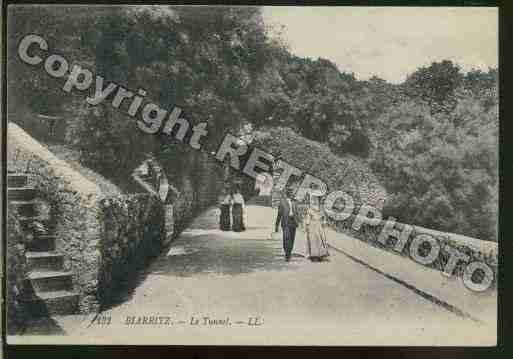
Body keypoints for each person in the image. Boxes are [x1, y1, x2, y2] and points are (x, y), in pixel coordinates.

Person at [275, 188, 299, 262]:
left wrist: (299, 222)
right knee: (286, 238)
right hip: (285, 222)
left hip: (293, 222)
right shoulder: (282, 202)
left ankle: (289, 252)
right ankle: (287, 254)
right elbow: (279, 214)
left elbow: (297, 213)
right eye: (290, 193)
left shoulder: (294, 202)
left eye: (292, 193)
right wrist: (276, 225)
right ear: (287, 194)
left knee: (292, 238)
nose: (291, 194)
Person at [304, 193, 329, 262]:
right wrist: (307, 224)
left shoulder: (320, 209)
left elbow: (324, 216)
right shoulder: (311, 209)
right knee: (314, 239)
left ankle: (320, 254)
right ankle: (314, 255)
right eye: (314, 200)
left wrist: (324, 222)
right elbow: (308, 218)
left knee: (320, 239)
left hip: (318, 225)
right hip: (312, 225)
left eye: (316, 200)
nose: (315, 201)